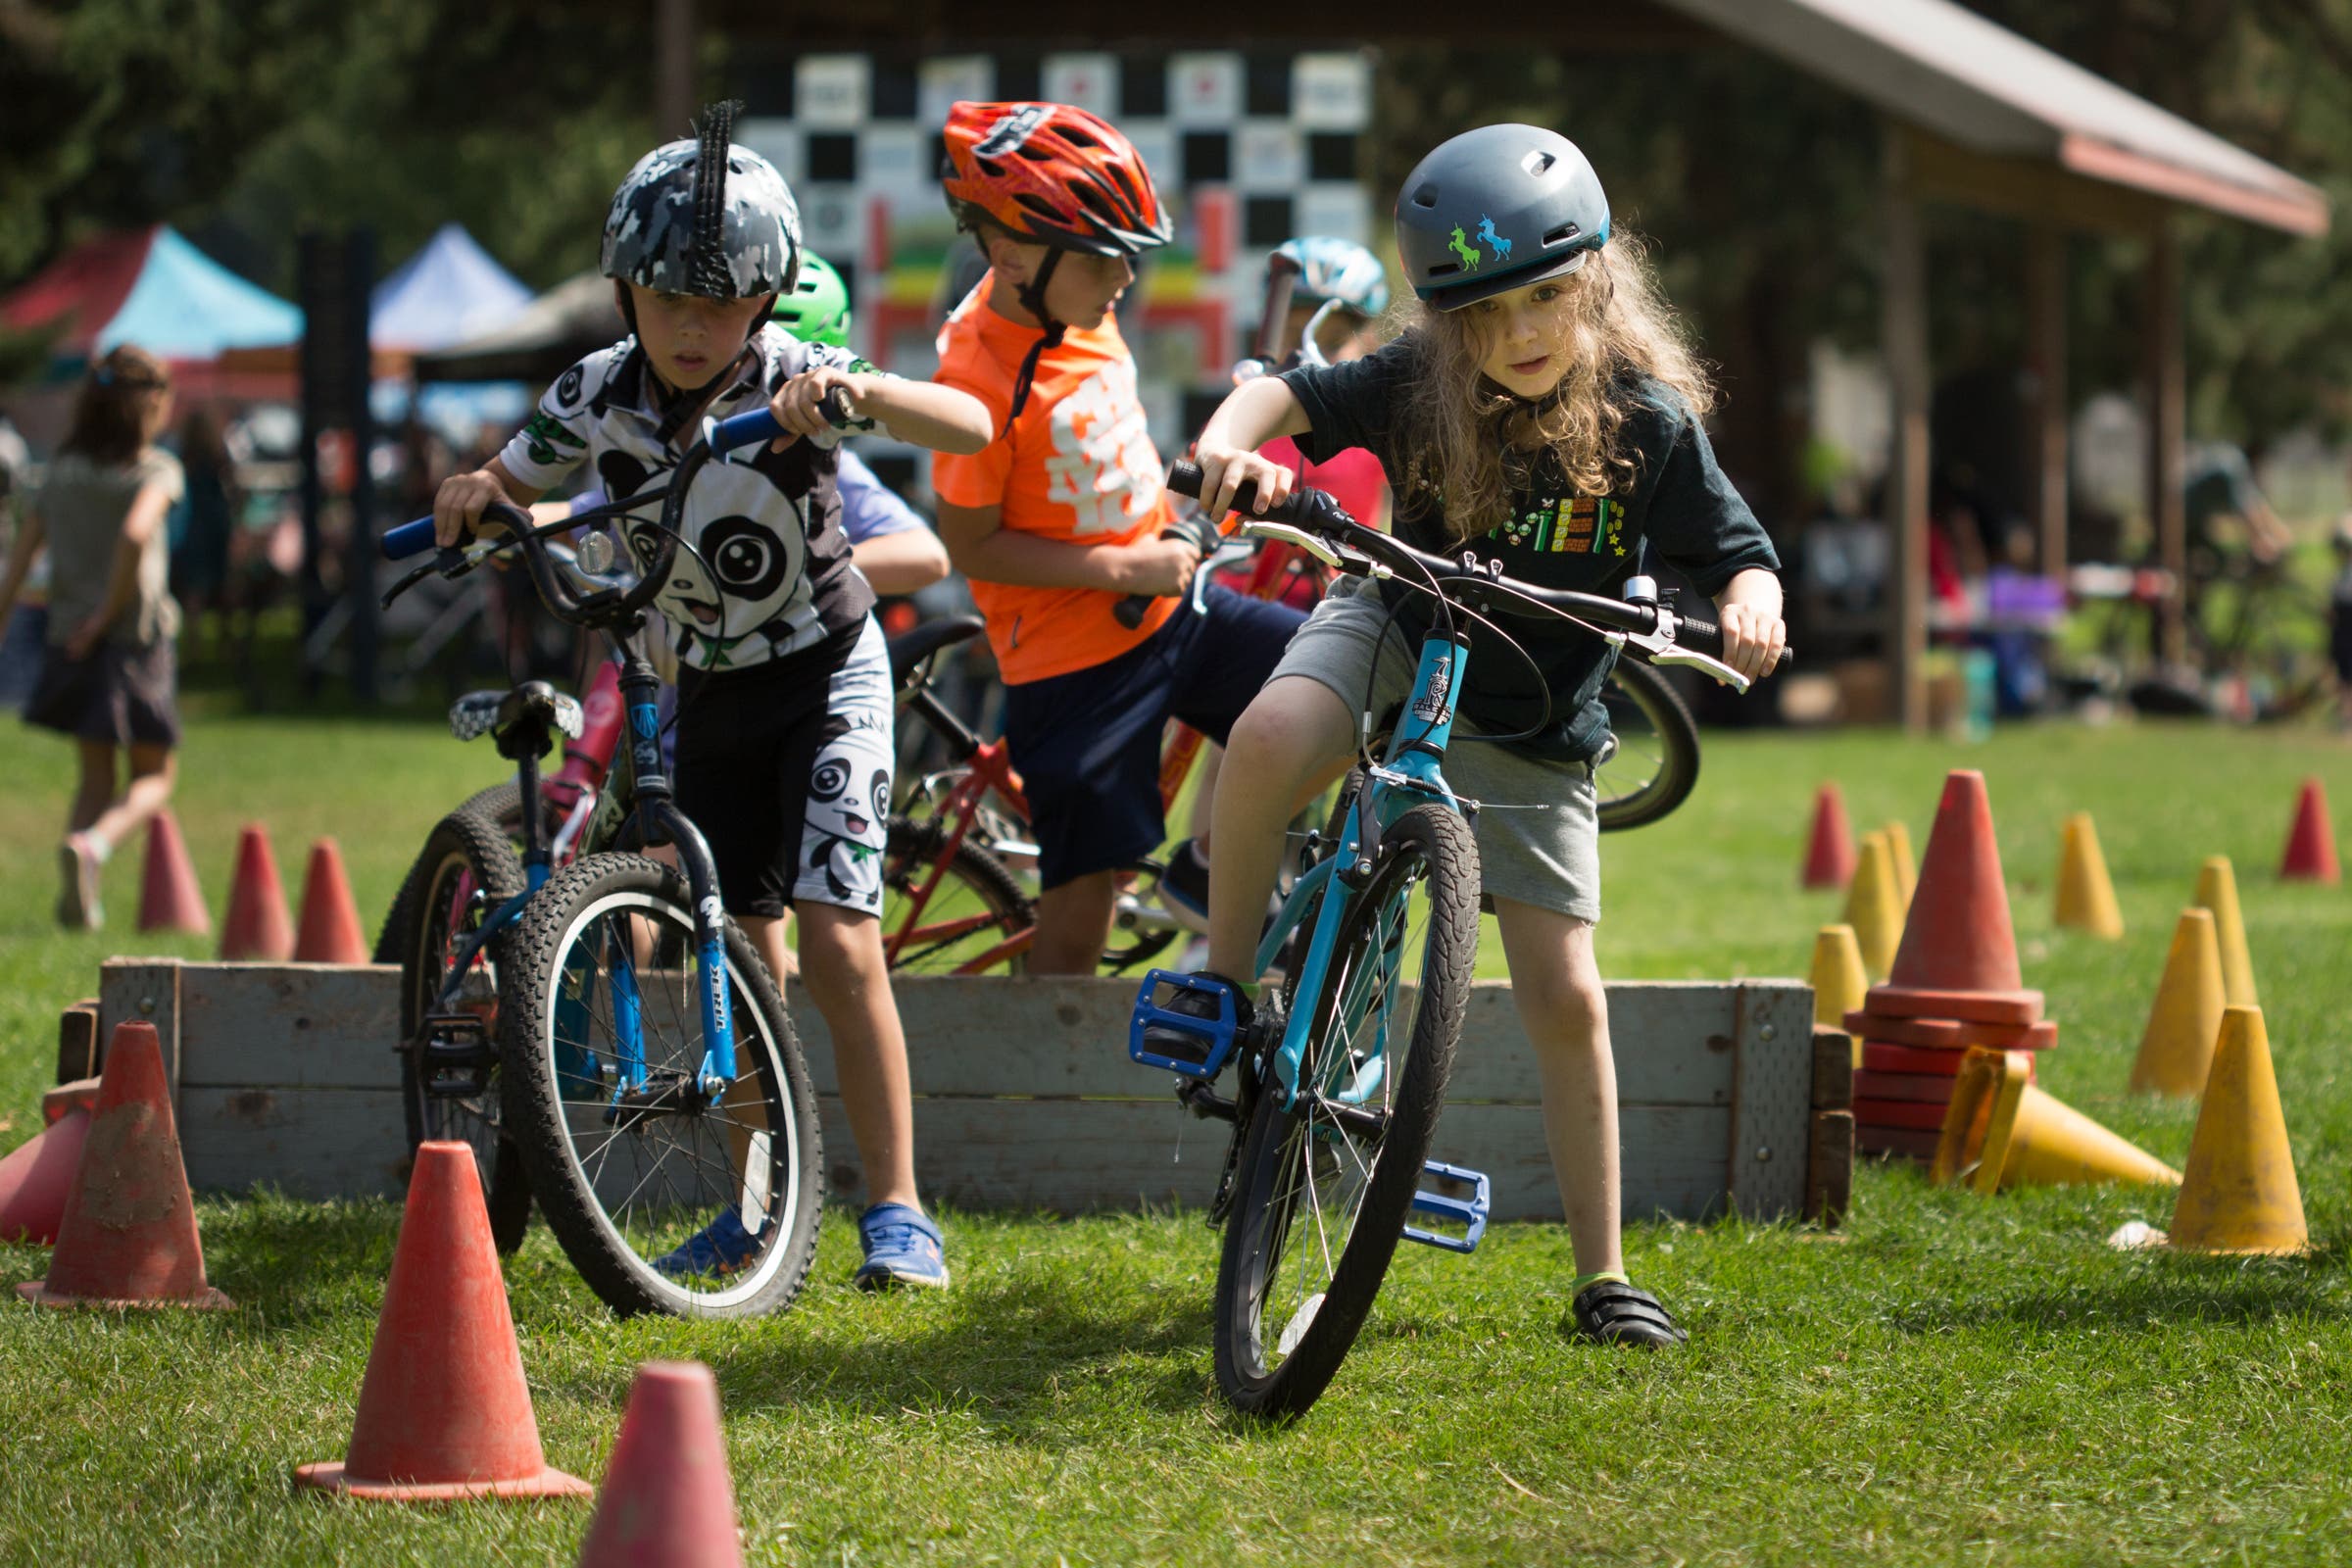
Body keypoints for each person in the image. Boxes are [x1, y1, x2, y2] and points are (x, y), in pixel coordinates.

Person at [1142, 123, 1786, 1348]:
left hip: (1537, 710)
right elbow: (1286, 391)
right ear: (1447, 325)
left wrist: (1751, 605)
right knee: (1271, 730)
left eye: (1549, 296)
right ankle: (1225, 983)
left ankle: (1604, 1276)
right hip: (1397, 614)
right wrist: (1231, 447)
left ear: (1597, 280)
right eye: (1487, 314)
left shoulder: (1647, 422)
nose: (1525, 330)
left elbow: (1738, 551)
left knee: (1566, 990)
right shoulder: (1410, 384)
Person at [430, 104, 994, 1290]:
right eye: (668, 296)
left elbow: (971, 421)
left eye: (727, 298)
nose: (696, 325)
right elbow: (511, 478)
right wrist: (473, 490)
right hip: (711, 691)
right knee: (742, 958)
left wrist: (855, 401)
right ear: (625, 289)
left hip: (827, 671)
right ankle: (756, 1213)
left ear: (768, 297)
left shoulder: (798, 369)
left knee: (842, 941)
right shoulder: (590, 392)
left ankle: (898, 1212)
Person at [926, 99, 1305, 972]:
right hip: (1071, 668)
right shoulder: (975, 379)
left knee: (1348, 688)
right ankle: (1049, 1096)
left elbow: (1094, 454)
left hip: (1175, 609)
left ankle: (1208, 866)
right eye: (1108, 256)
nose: (1126, 278)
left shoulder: (1078, 310)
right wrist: (1126, 562)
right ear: (1016, 256)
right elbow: (972, 546)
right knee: (1080, 920)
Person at [0, 345, 188, 929]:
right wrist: (106, 615)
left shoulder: (60, 472)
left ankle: (77, 904)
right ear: (152, 402)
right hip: (130, 639)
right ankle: (94, 848)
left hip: (67, 640)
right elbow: (136, 536)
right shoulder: (154, 469)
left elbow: (20, 560)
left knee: (96, 774)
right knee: (156, 776)